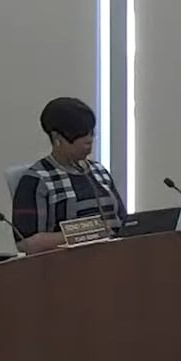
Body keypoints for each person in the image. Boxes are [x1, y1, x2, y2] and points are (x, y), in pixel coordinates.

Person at [11, 97, 128, 254]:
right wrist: (84, 233)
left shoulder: (99, 172)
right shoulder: (37, 179)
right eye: (80, 136)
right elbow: (26, 242)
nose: (89, 141)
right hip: (64, 267)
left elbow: (123, 222)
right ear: (57, 138)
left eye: (91, 134)